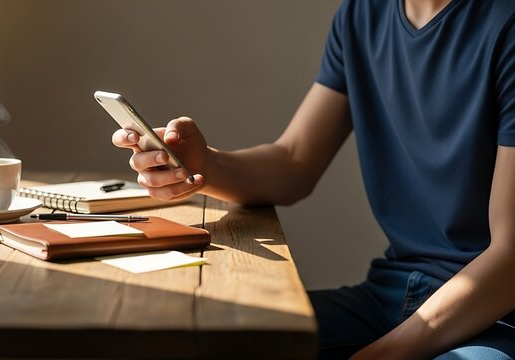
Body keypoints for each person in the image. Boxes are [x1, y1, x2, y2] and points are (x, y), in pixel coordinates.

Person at [112, 0, 515, 358]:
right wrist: (202, 164)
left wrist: (384, 354)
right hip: (392, 294)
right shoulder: (362, 14)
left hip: (495, 319)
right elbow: (293, 164)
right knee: (212, 342)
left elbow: (510, 258)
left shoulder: (505, 23)